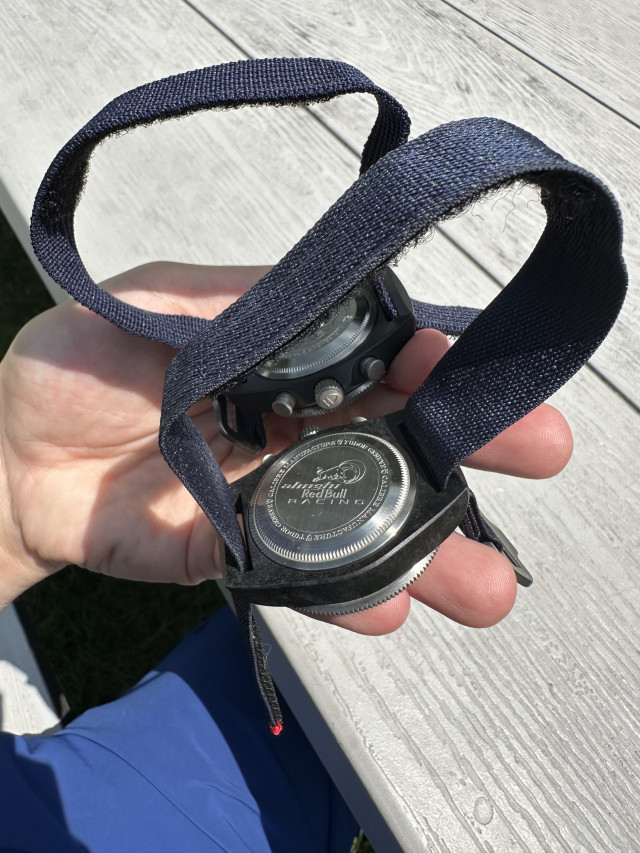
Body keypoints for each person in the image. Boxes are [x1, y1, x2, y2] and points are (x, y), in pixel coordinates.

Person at [0, 262, 572, 852]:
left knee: (280, 688)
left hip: (53, 788)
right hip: (122, 804)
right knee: (334, 713)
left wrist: (13, 491)